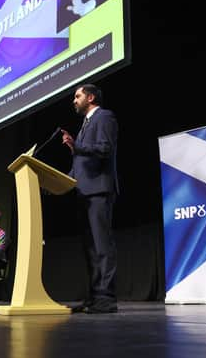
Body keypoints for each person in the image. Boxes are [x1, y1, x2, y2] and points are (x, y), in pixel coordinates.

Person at [61, 83, 119, 313]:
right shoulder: (84, 126)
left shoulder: (104, 117)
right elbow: (80, 165)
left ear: (91, 97)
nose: (74, 100)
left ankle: (107, 299)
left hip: (99, 190)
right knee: (91, 249)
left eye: (78, 96)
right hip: (83, 193)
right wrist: (59, 183)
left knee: (102, 246)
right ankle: (95, 297)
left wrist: (77, 146)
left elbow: (104, 148)